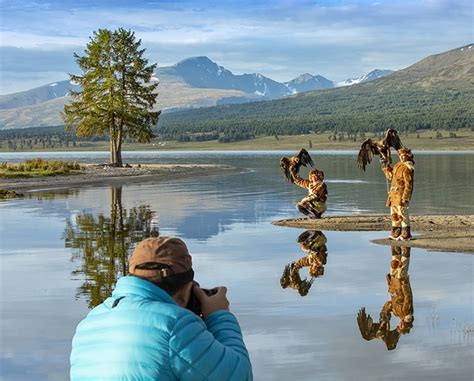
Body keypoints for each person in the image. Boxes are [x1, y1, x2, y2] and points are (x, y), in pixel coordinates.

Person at [70, 236, 253, 380]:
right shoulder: (175, 324)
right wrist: (219, 316)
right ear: (186, 291)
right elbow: (240, 376)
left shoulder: (88, 324)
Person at [356, 245, 413, 351]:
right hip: (400, 286)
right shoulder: (405, 312)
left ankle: (395, 244)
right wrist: (404, 285)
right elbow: (408, 297)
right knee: (401, 269)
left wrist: (384, 317)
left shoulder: (396, 314)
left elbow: (389, 305)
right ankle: (405, 246)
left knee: (393, 267)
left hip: (393, 286)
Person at [381, 147, 415, 240]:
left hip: (401, 194)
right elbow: (390, 176)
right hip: (393, 195)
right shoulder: (397, 166)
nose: (402, 158)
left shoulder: (408, 168)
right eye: (400, 156)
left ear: (408, 156)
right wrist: (385, 166)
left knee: (402, 213)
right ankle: (396, 232)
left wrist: (406, 197)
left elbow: (409, 184)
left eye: (404, 156)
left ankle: (406, 233)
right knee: (394, 214)